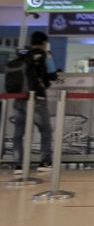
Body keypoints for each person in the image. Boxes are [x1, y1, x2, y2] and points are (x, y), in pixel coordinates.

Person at [12, 31, 57, 174]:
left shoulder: (23, 55)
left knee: (19, 132)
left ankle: (18, 165)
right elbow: (53, 76)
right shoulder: (46, 55)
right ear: (45, 43)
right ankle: (45, 162)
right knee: (45, 130)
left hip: (19, 98)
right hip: (37, 98)